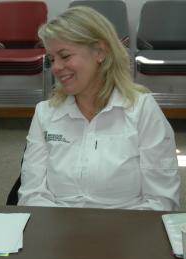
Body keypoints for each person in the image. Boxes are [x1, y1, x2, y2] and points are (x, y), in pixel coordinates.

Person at [18, 6, 180, 210]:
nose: (56, 67)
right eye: (52, 59)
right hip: (59, 231)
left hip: (128, 232)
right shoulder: (45, 113)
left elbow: (162, 201)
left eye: (65, 56)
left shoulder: (142, 110)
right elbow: (31, 194)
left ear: (100, 52)